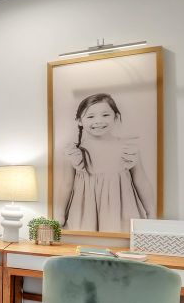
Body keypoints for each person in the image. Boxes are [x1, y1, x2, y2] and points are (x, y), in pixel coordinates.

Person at [59, 93, 155, 232]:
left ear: (115, 117)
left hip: (121, 211)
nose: (98, 121)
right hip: (85, 212)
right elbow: (66, 185)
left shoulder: (127, 149)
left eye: (105, 115)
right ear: (79, 121)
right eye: (91, 116)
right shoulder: (74, 152)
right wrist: (60, 214)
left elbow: (141, 180)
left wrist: (151, 212)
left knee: (120, 248)